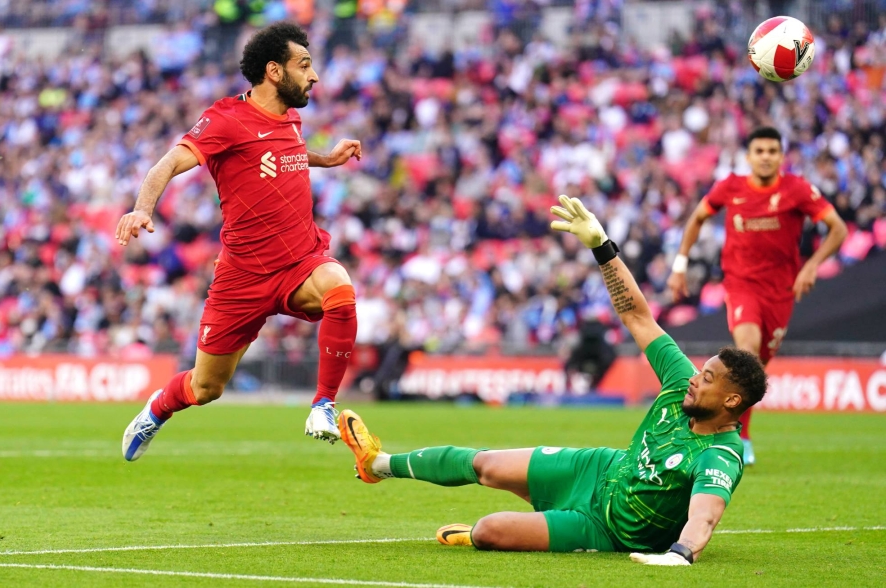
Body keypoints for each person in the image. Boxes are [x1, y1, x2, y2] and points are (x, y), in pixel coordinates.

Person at [337, 195, 768, 565]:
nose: (694, 379)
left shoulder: (720, 454)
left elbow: (706, 514)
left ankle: (492, 531)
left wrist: (681, 553)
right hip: (599, 469)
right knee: (486, 465)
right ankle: (377, 464)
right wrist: (602, 247)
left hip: (606, 528)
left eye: (707, 378)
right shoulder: (679, 381)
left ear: (731, 401)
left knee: (488, 531)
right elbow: (638, 316)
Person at [119, 22, 363, 461]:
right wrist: (142, 209)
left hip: (299, 261)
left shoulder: (290, 117)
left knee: (340, 289)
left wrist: (326, 159)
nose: (314, 76)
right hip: (243, 276)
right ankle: (156, 409)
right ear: (274, 71)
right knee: (206, 387)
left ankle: (323, 405)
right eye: (304, 65)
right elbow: (167, 164)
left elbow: (283, 152)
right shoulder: (225, 120)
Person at [667, 127, 847, 465]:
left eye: (772, 151)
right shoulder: (730, 187)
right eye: (759, 151)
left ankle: (739, 430)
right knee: (747, 350)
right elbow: (697, 218)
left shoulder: (797, 189)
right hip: (741, 285)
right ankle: (730, 433)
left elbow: (838, 228)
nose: (765, 157)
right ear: (748, 156)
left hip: (780, 292)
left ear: (781, 156)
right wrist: (679, 265)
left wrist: (812, 266)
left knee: (757, 368)